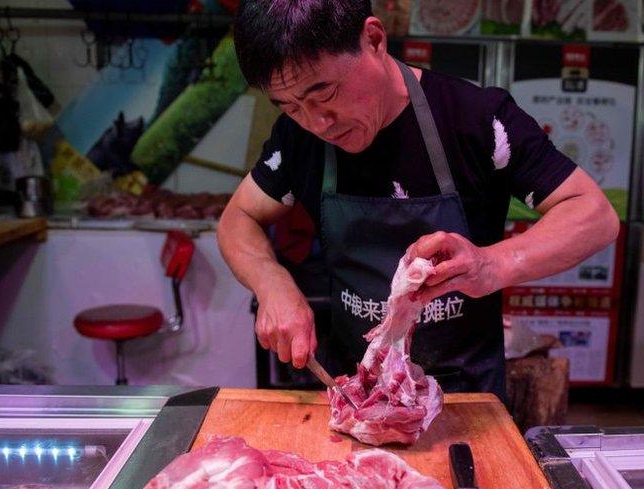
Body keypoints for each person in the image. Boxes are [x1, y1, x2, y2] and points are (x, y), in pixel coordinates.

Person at [218, 0, 619, 399]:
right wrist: (271, 283)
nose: (318, 123)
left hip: (466, 399)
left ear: (373, 39)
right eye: (290, 106)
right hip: (356, 394)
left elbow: (593, 213)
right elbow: (239, 217)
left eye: (325, 92)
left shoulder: (475, 119)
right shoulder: (297, 138)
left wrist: (491, 264)